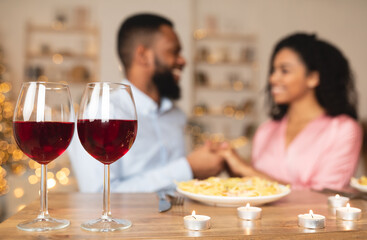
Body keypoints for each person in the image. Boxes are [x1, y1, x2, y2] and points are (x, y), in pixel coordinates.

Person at [68, 13, 224, 193]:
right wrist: (187, 169)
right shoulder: (102, 112)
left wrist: (204, 163)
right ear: (143, 55)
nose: (183, 60)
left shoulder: (176, 115)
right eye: (174, 51)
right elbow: (97, 192)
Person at [219, 33, 362, 190]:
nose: (273, 78)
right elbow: (254, 189)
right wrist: (231, 164)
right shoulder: (266, 130)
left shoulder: (343, 129)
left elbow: (325, 196)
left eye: (284, 71)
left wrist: (246, 169)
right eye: (273, 70)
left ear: (313, 77)